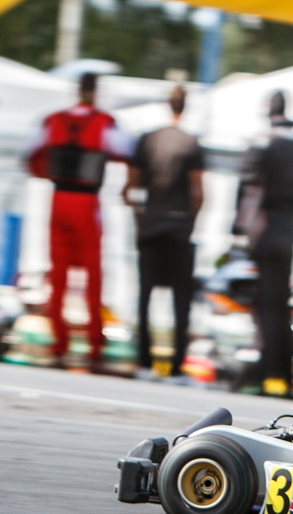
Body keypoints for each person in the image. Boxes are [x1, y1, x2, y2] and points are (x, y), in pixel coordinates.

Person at [27, 72, 134, 368]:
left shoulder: (53, 120)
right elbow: (128, 150)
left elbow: (32, 157)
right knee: (92, 276)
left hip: (58, 198)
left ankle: (59, 342)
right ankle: (93, 345)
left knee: (58, 275)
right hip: (87, 202)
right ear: (96, 91)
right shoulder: (104, 122)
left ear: (78, 90)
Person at [233, 90, 293, 398]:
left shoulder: (262, 144)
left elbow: (250, 192)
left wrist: (238, 233)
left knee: (264, 307)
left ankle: (267, 375)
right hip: (289, 227)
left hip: (263, 226)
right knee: (281, 304)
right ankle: (282, 374)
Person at [123, 85, 204, 384]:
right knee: (180, 300)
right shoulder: (191, 143)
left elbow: (130, 188)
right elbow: (198, 192)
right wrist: (190, 222)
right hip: (179, 227)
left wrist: (140, 220)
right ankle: (177, 366)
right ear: (186, 106)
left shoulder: (148, 139)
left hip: (152, 225)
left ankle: (144, 361)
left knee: (144, 296)